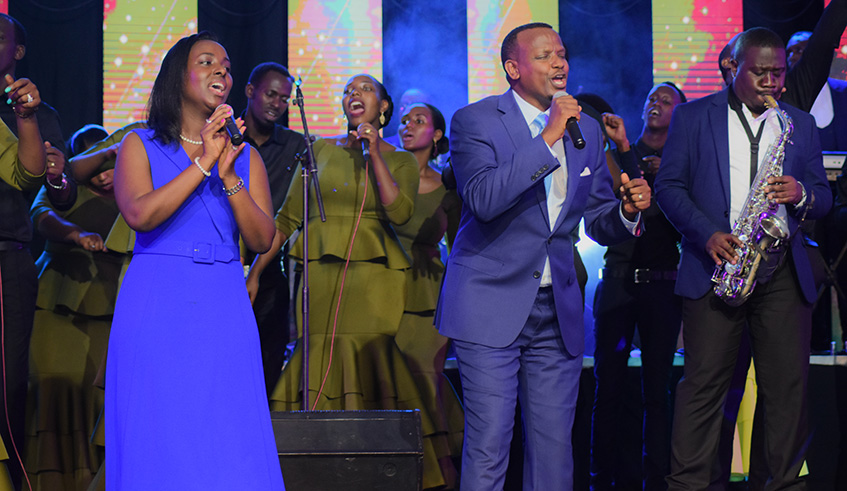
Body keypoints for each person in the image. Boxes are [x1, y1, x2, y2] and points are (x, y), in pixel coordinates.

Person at [436, 22, 650, 490]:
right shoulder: (475, 121)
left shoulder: (587, 129)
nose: (560, 63)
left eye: (562, 54)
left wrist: (627, 214)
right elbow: (485, 199)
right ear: (513, 68)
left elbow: (595, 217)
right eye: (545, 56)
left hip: (557, 308)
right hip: (489, 302)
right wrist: (548, 134)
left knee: (554, 452)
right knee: (490, 444)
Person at [655, 27, 832, 489]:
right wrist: (707, 234)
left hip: (782, 273)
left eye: (778, 72)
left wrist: (801, 194)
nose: (772, 81)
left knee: (786, 394)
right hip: (718, 267)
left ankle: (784, 484)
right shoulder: (692, 117)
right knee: (702, 392)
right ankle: (690, 484)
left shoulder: (800, 123)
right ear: (732, 67)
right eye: (761, 72)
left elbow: (824, 197)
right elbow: (668, 188)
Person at [106, 32, 283, 489]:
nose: (221, 71)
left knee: (225, 426)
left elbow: (263, 237)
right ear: (177, 77)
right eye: (207, 62)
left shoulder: (246, 159)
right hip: (157, 299)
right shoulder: (139, 144)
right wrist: (203, 162)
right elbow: (140, 214)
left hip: (222, 300)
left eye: (225, 65)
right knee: (159, 424)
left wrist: (228, 176)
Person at [590, 82, 686, 491]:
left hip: (662, 286)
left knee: (656, 391)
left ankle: (657, 480)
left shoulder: (683, 161)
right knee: (606, 388)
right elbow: (624, 199)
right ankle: (601, 479)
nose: (655, 104)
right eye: (651, 97)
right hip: (617, 282)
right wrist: (625, 150)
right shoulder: (615, 155)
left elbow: (672, 215)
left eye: (666, 100)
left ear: (681, 112)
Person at [0, 12, 74, 489]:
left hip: (8, 258)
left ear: (18, 51)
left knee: (8, 385)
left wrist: (59, 175)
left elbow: (59, 193)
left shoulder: (39, 114)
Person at [25, 124, 120, 491]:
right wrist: (76, 235)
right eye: (95, 165)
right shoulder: (64, 191)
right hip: (56, 304)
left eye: (109, 163)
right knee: (53, 391)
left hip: (110, 310)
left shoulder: (134, 193)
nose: (105, 174)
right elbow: (41, 216)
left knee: (98, 400)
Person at [394, 102, 463, 488]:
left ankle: (438, 478)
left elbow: (459, 249)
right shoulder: (383, 176)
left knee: (424, 382)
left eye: (419, 121)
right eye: (405, 120)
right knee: (388, 385)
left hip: (428, 297)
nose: (408, 125)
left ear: (437, 135)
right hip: (383, 291)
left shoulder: (447, 191)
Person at [241, 62, 307, 394]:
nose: (277, 104)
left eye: (284, 99)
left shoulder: (297, 146)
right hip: (221, 262)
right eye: (270, 94)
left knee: (267, 362)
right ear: (250, 91)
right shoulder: (223, 137)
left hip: (269, 268)